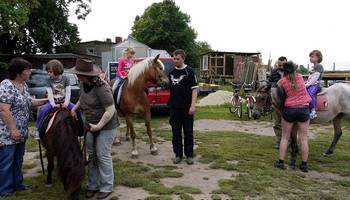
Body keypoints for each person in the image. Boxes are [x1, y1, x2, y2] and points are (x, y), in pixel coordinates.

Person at [70, 59, 118, 199]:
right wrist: (75, 107)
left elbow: (110, 109)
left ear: (85, 74)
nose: (76, 75)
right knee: (91, 156)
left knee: (102, 155)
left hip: (106, 126)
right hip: (91, 125)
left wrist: (99, 126)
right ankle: (93, 185)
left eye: (78, 73)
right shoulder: (83, 83)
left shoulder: (101, 88)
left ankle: (107, 186)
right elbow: (82, 97)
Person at [0, 58, 47, 196]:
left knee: (18, 159)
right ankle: (5, 190)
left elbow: (30, 102)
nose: (29, 72)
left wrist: (48, 100)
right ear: (18, 72)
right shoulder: (6, 85)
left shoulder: (23, 85)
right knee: (6, 161)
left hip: (21, 131)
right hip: (8, 132)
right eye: (27, 70)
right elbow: (4, 110)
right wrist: (13, 130)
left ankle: (18, 185)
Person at [274, 61, 311, 172]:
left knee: (285, 138)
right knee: (304, 138)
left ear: (284, 71)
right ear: (295, 70)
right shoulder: (300, 77)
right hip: (304, 109)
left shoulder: (282, 82)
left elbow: (278, 91)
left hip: (289, 109)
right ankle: (304, 165)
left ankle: (281, 162)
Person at [168, 49, 198, 165]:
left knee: (188, 132)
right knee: (176, 133)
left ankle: (189, 155)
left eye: (177, 59)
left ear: (183, 58)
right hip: (174, 108)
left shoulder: (189, 72)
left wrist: (193, 105)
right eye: (174, 59)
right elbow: (169, 87)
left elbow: (194, 90)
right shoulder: (171, 72)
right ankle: (178, 155)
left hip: (186, 108)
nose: (175, 61)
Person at [34, 60, 74, 139]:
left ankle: (81, 128)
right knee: (43, 111)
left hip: (64, 101)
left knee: (76, 109)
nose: (48, 74)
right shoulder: (48, 80)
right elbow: (50, 94)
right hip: (53, 102)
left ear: (57, 70)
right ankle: (37, 130)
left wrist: (66, 103)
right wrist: (53, 104)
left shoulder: (66, 79)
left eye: (50, 72)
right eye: (48, 72)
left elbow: (68, 92)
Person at [268, 56, 287, 149]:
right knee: (277, 122)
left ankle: (290, 142)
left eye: (283, 64)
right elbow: (269, 82)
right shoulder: (274, 72)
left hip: (288, 102)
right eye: (279, 64)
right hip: (277, 102)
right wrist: (275, 84)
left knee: (289, 123)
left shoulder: (290, 72)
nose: (281, 66)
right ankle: (279, 141)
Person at [305, 50, 324, 119]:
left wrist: (307, 85)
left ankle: (313, 111)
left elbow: (315, 78)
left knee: (310, 93)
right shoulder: (313, 67)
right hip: (311, 84)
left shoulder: (319, 66)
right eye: (310, 57)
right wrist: (306, 83)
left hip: (316, 84)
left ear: (318, 57)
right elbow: (310, 78)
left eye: (312, 56)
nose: (310, 58)